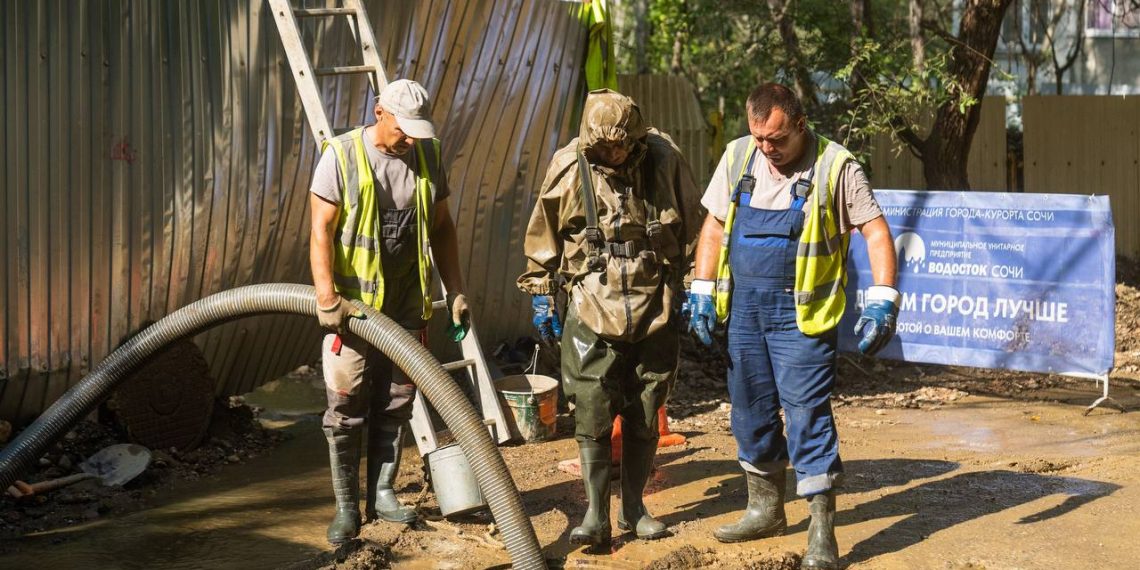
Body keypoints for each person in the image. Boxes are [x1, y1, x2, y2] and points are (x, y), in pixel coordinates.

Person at [687, 83, 899, 570]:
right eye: (759, 137)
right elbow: (716, 226)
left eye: (777, 139)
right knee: (750, 411)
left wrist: (883, 300)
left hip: (801, 318)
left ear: (801, 125)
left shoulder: (837, 166)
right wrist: (701, 290)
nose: (767, 148)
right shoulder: (739, 156)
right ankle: (764, 509)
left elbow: (875, 231)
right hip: (745, 313)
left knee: (806, 416)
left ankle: (822, 531)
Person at [518, 89, 702, 548]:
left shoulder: (664, 159)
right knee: (592, 407)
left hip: (654, 299)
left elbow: (698, 228)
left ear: (637, 137)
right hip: (590, 301)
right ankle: (596, 515)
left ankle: (635, 509)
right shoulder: (568, 165)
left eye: (621, 146)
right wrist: (541, 292)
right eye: (604, 148)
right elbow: (544, 232)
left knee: (645, 407)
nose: (614, 154)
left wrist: (701, 285)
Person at [308, 78, 470, 545]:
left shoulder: (427, 153)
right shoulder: (340, 157)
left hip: (405, 303)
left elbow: (442, 229)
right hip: (353, 307)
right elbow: (320, 230)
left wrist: (455, 291)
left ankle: (382, 493)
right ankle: (345, 506)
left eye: (418, 130)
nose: (410, 139)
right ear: (380, 112)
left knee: (397, 399)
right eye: (403, 128)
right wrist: (326, 299)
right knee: (345, 405)